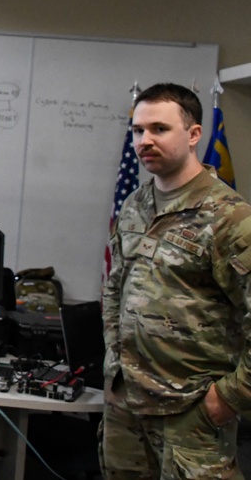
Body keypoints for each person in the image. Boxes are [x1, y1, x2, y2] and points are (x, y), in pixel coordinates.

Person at [102, 82, 251, 479]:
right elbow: (116, 287)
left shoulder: (229, 218)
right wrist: (112, 364)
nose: (144, 140)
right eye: (137, 130)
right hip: (127, 402)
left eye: (159, 129)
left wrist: (229, 398)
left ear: (194, 134)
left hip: (191, 409)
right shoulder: (136, 205)